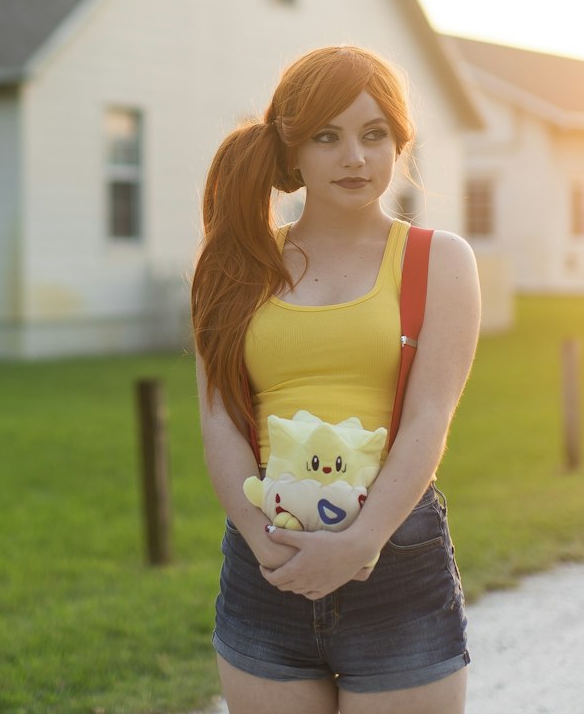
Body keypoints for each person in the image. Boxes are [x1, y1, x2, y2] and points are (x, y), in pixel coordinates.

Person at [191, 45, 480, 714]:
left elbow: (429, 418)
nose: (355, 157)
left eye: (374, 135)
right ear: (290, 150)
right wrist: (267, 542)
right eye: (328, 136)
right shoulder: (234, 264)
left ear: (399, 145)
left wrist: (359, 542)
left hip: (396, 562)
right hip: (268, 562)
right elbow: (218, 419)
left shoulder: (439, 262)